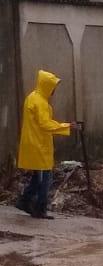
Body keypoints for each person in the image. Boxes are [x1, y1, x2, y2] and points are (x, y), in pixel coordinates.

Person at [16, 70, 79, 219]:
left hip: (34, 143)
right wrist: (67, 126)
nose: (54, 90)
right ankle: (39, 208)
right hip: (39, 145)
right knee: (45, 179)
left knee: (38, 177)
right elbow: (45, 124)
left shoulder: (32, 97)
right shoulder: (40, 102)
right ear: (47, 86)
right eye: (53, 86)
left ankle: (25, 201)